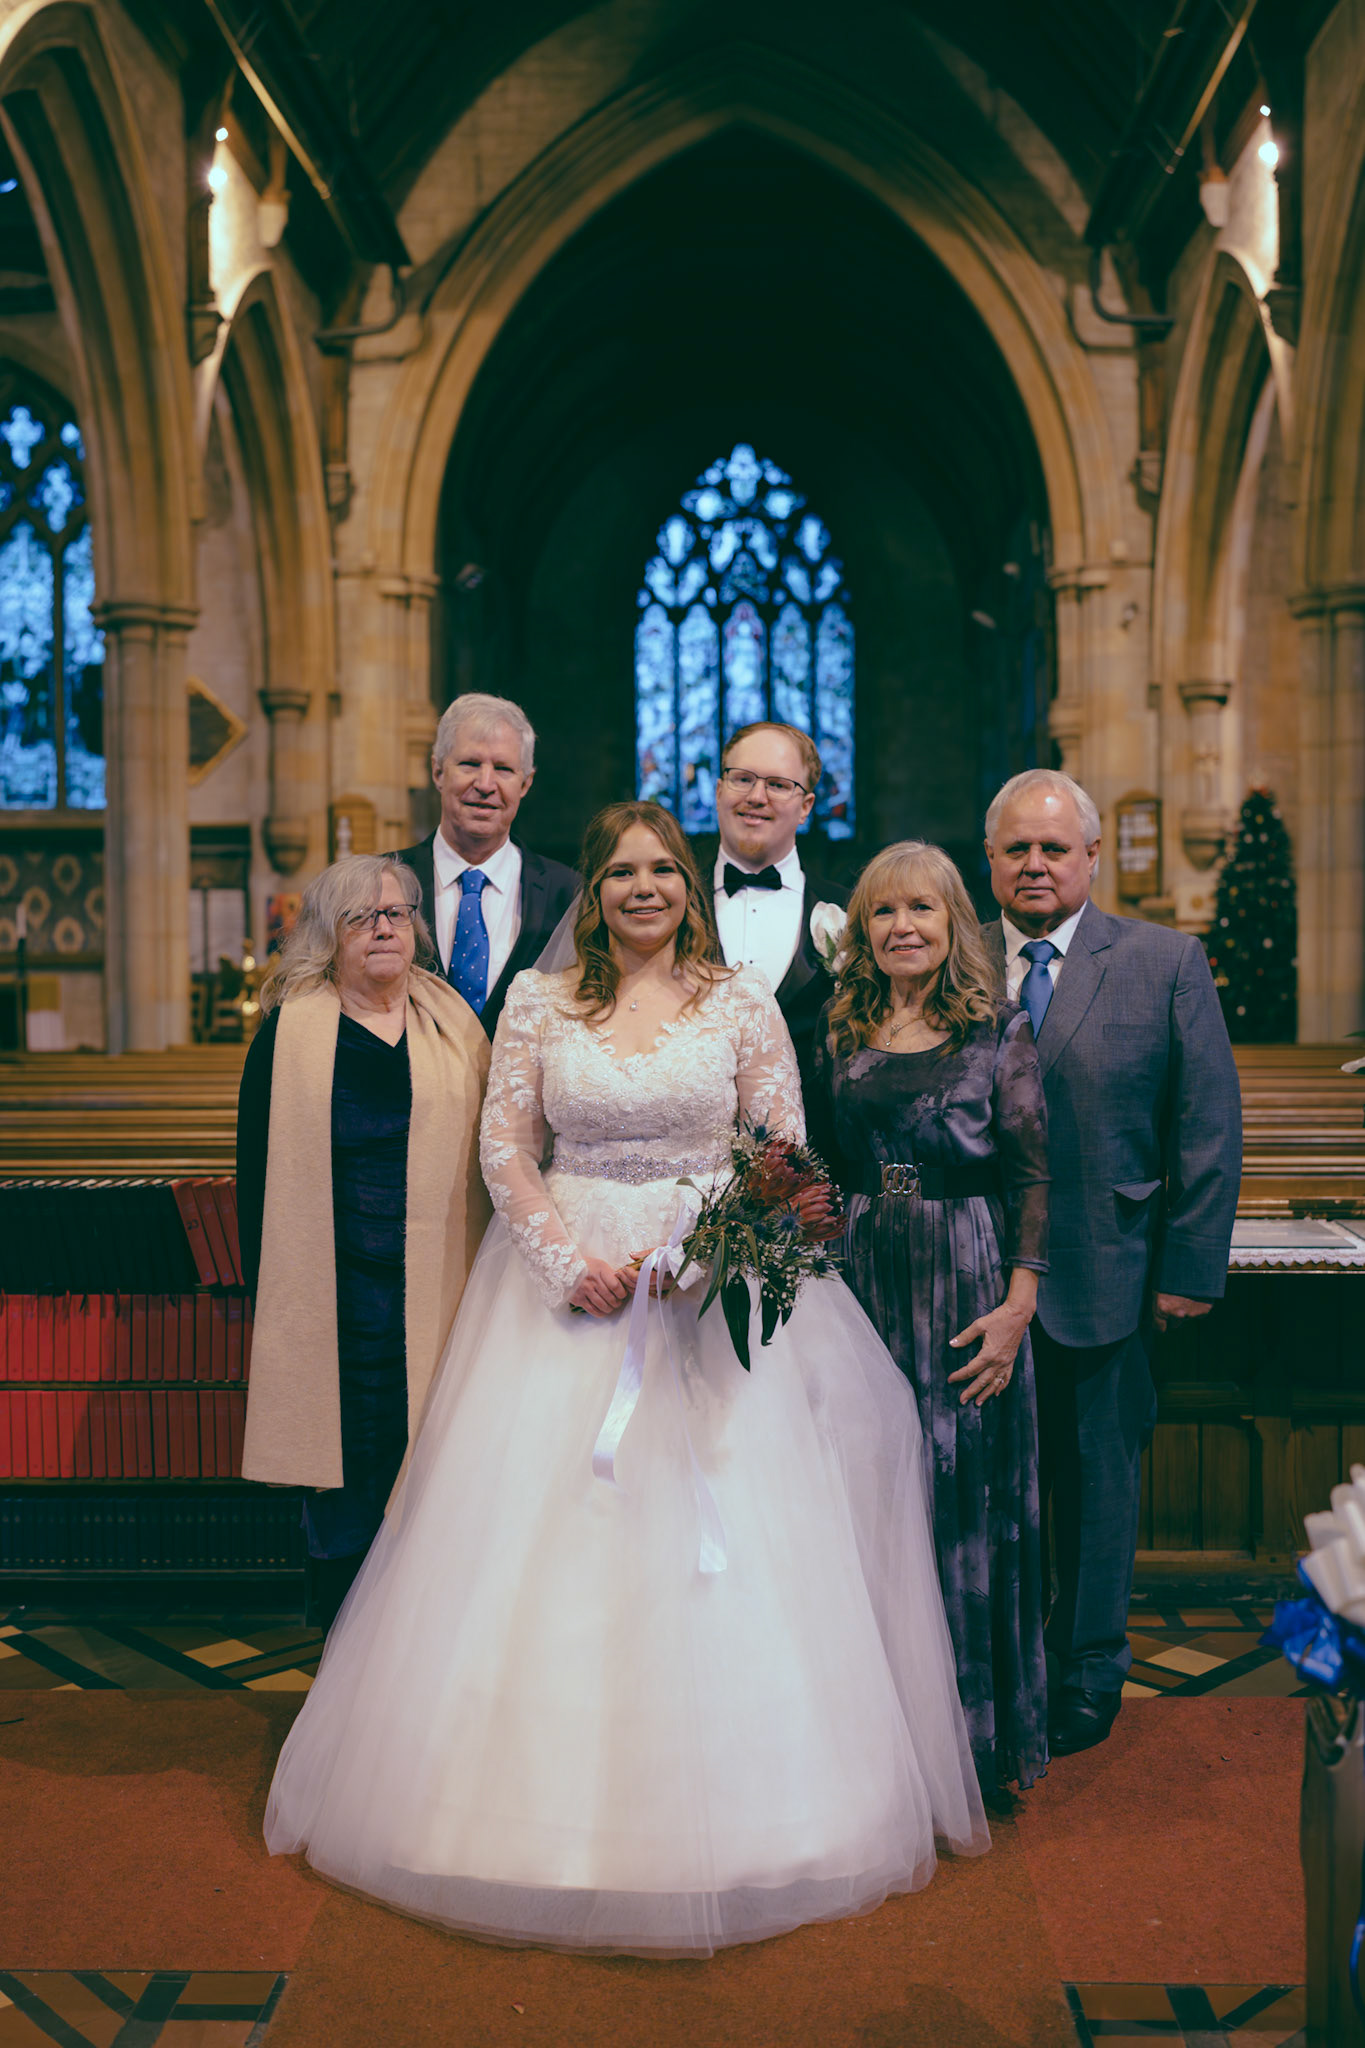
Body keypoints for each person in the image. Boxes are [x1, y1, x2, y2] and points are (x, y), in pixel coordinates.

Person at [264, 800, 987, 1957]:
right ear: (593, 892)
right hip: (571, 1289)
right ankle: (512, 1814)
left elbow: (782, 1148)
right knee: (546, 1533)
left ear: (687, 887)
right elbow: (506, 1144)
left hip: (708, 1296)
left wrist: (711, 1254)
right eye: (619, 872)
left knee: (732, 1532)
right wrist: (565, 1260)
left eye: (661, 869)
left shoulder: (741, 1001)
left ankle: (771, 1809)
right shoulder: (538, 1000)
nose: (642, 887)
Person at [982, 768, 1241, 1756]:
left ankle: (1089, 1667)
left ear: (1090, 856)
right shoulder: (954, 958)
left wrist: (1188, 1266)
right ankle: (1001, 1664)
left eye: (1053, 847)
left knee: (1096, 1482)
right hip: (976, 1278)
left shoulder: (1164, 960)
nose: (1035, 863)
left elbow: (1206, 1121)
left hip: (1109, 1267)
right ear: (989, 860)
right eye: (1016, 847)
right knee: (991, 1486)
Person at [812, 841, 1050, 1797]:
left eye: (921, 908)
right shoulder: (842, 1026)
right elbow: (819, 1160)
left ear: (953, 921)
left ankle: (972, 1743)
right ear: (862, 930)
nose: (902, 926)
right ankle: (877, 1747)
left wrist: (1017, 1307)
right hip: (861, 1270)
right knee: (868, 1490)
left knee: (961, 1497)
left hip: (965, 1273)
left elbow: (1033, 1174)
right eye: (883, 911)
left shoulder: (997, 1027)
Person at [236, 854, 491, 1629]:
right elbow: (256, 1176)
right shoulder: (289, 1034)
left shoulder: (456, 1026)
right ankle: (343, 1641)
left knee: (433, 1465)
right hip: (334, 1293)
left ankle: (419, 1644)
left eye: (396, 914)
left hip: (436, 1287)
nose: (383, 928)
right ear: (327, 935)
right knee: (346, 1469)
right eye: (360, 917)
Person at [398, 691, 578, 1036]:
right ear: (437, 771)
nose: (484, 784)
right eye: (469, 764)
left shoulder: (568, 893)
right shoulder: (385, 882)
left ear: (526, 783)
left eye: (503, 769)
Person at [694, 720, 848, 1092]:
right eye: (742, 779)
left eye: (777, 785)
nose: (756, 796)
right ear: (719, 791)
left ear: (806, 806)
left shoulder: (851, 910)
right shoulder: (672, 906)